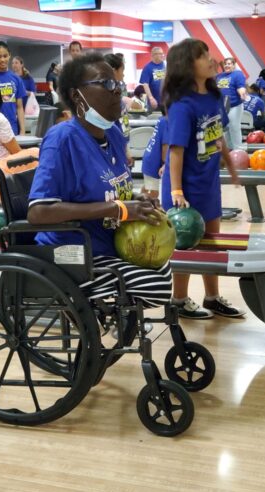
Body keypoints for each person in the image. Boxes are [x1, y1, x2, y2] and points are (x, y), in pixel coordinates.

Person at [28, 53, 172, 308]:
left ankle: (111, 314)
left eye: (117, 83)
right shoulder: (62, 139)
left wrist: (136, 201)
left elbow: (113, 190)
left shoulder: (114, 134)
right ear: (76, 96)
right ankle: (96, 309)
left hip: (108, 246)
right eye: (106, 84)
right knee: (157, 287)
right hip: (73, 253)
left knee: (164, 271)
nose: (117, 91)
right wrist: (115, 208)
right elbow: (38, 212)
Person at [161, 38, 244, 319]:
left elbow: (219, 135)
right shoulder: (183, 106)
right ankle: (179, 300)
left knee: (212, 241)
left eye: (209, 53)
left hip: (207, 183)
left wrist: (231, 167)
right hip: (183, 188)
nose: (211, 58)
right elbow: (176, 151)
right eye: (202, 55)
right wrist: (176, 190)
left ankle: (211, 297)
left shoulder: (213, 96)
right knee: (184, 243)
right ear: (187, 65)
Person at [103, 53, 133, 166]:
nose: (123, 74)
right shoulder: (111, 96)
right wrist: (126, 150)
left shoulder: (113, 92)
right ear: (114, 71)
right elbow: (121, 124)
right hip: (114, 147)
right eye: (122, 70)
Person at [216, 57, 247, 149]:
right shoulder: (219, 76)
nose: (227, 65)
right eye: (225, 64)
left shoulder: (237, 74)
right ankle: (229, 148)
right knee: (226, 128)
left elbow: (240, 87)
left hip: (234, 105)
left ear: (234, 65)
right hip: (222, 107)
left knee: (234, 127)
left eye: (229, 64)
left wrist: (242, 93)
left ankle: (238, 149)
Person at [141, 112, 168, 198]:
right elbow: (165, 146)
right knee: (153, 193)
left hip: (149, 157)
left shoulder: (162, 119)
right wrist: (165, 164)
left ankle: (139, 201)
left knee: (147, 187)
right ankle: (144, 208)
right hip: (153, 161)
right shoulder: (168, 121)